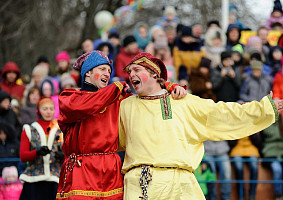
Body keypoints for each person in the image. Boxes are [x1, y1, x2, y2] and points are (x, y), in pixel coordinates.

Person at [119, 52, 283, 200]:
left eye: (136, 70)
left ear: (154, 74)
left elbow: (223, 113)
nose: (130, 74)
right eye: (129, 71)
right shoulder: (125, 106)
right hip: (140, 185)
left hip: (179, 184)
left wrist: (263, 108)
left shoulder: (184, 102)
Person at [56, 50, 186, 199]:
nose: (107, 74)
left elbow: (147, 95)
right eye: (102, 69)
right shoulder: (69, 98)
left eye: (109, 71)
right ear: (87, 73)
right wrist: (115, 87)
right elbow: (83, 106)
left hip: (111, 171)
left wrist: (170, 86)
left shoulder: (116, 99)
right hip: (81, 170)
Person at [19, 97, 63, 200]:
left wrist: (63, 156)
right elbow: (23, 156)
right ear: (38, 110)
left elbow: (69, 154)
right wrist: (36, 152)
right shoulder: (29, 129)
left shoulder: (61, 130)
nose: (48, 112)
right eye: (45, 109)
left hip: (55, 179)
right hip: (34, 179)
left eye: (51, 109)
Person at [261, 114, 283, 200]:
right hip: (271, 154)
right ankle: (278, 195)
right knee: (277, 170)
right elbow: (260, 140)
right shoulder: (265, 124)